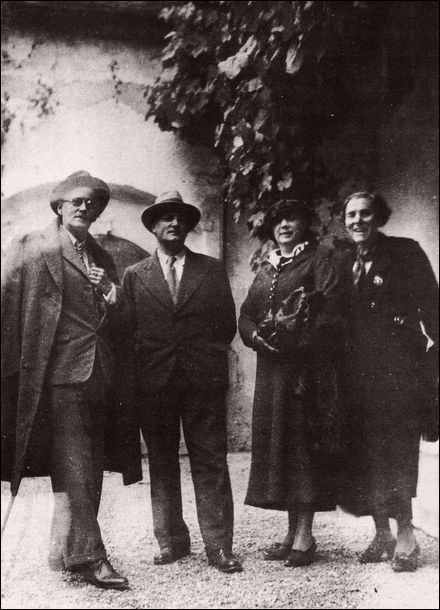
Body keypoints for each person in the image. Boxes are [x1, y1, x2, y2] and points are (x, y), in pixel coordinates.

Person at [1, 171, 142, 590]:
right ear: (59, 206)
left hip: (100, 373)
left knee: (87, 465)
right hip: (56, 375)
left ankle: (64, 550)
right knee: (78, 463)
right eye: (76, 201)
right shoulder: (31, 248)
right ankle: (93, 557)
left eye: (92, 204)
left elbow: (119, 324)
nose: (85, 208)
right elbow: (7, 311)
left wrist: (113, 296)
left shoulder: (102, 257)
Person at [121, 190, 242, 574]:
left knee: (210, 462)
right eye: (164, 217)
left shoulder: (211, 269)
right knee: (162, 462)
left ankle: (219, 546)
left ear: (188, 226)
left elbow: (226, 324)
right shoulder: (135, 275)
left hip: (201, 382)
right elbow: (128, 329)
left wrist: (202, 360)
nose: (173, 223)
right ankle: (171, 540)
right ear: (153, 226)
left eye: (180, 218)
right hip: (154, 384)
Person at [238, 199, 348, 568]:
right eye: (278, 219)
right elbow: (247, 313)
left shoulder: (319, 261)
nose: (285, 224)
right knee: (281, 447)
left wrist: (297, 343)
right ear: (271, 228)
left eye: (293, 218)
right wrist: (256, 338)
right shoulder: (267, 266)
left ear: (304, 225)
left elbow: (332, 312)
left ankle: (305, 534)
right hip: (272, 372)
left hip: (305, 370)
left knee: (301, 448)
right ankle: (290, 532)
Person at [341, 191, 438, 572]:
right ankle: (381, 532)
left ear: (378, 217)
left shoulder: (405, 252)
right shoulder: (340, 258)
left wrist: (431, 363)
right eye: (350, 215)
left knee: (397, 453)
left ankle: (406, 535)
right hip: (353, 373)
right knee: (364, 453)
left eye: (365, 213)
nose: (357, 221)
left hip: (397, 371)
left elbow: (433, 307)